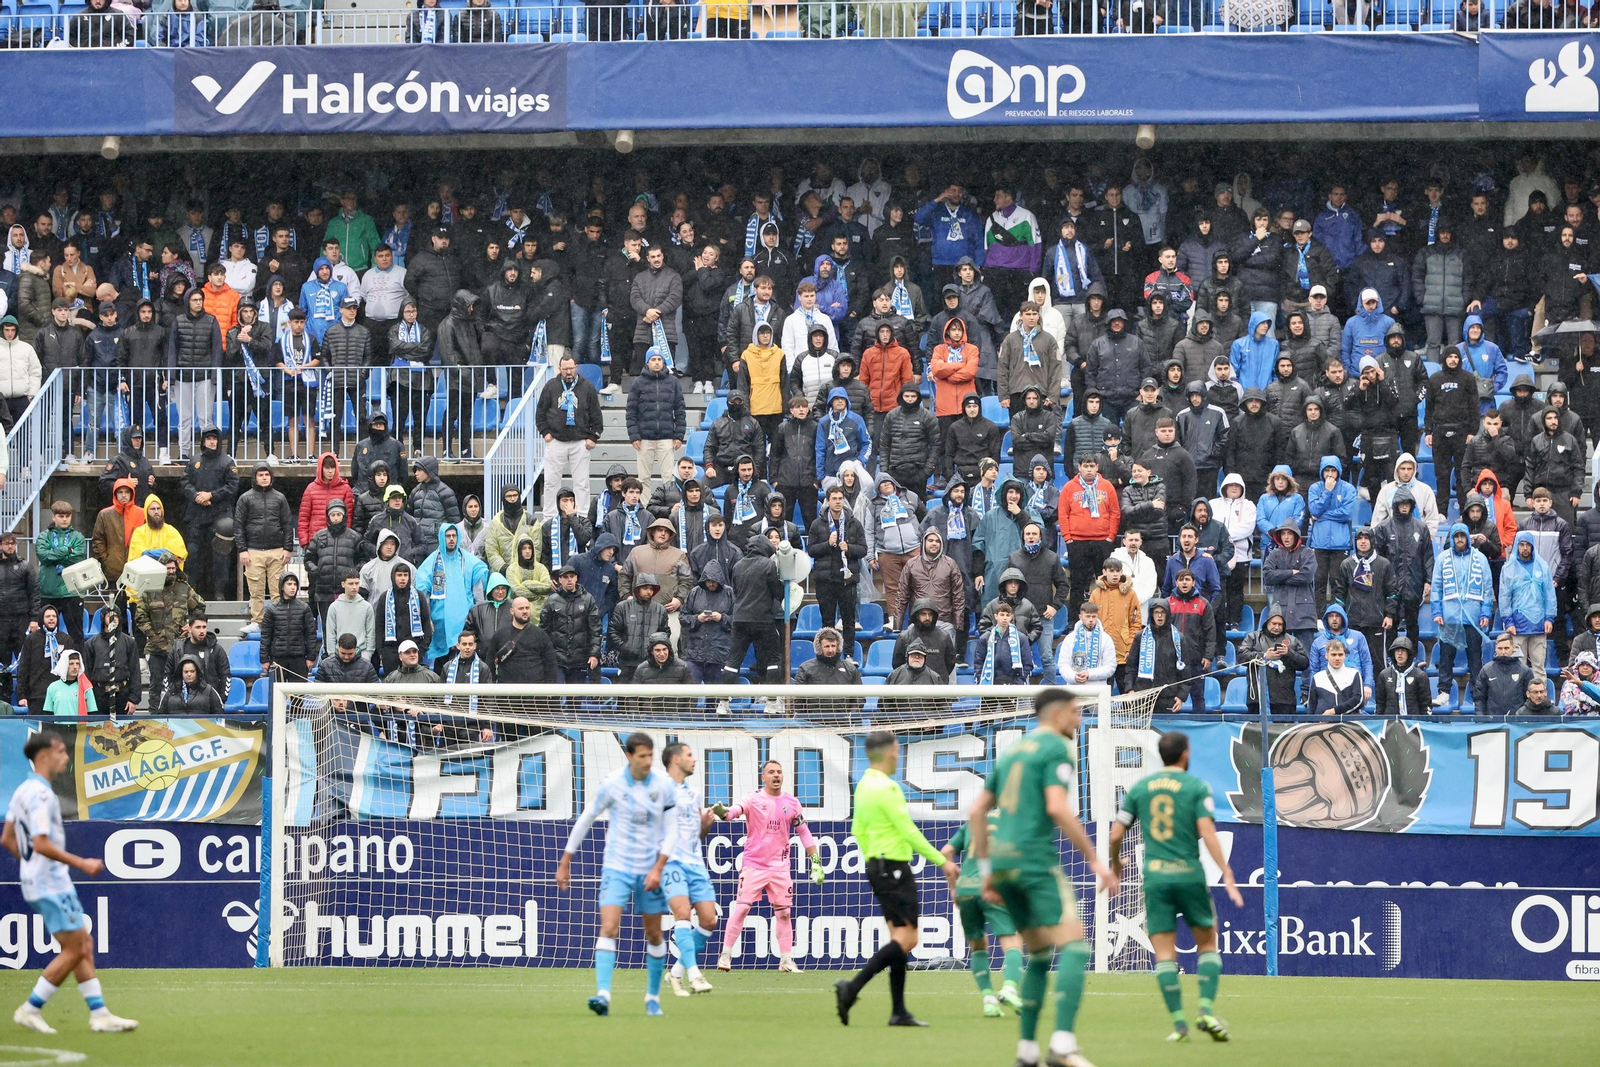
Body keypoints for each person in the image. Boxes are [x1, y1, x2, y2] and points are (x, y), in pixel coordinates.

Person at [965, 690, 1117, 1067]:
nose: (1080, 721)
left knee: (1038, 955)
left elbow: (976, 811)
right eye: (1077, 713)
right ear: (1060, 713)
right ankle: (1063, 1044)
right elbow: (1057, 807)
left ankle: (1027, 1051)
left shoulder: (1014, 751)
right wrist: (1097, 861)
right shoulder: (1054, 748)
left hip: (1001, 866)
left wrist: (986, 872)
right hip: (1035, 863)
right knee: (1077, 947)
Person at [1108, 730, 1242, 1043]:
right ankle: (1206, 1011)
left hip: (1155, 878)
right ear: (1185, 754)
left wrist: (1115, 866)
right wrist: (1227, 871)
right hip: (1188, 874)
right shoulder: (1196, 786)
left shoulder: (1140, 788)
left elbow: (1115, 835)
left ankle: (1179, 1024)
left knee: (1165, 955)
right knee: (1208, 944)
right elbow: (1207, 832)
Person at [5, 731, 138, 1034]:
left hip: (40, 880)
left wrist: (29, 867)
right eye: (61, 752)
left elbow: (7, 838)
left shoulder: (22, 790)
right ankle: (31, 1007)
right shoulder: (41, 795)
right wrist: (82, 863)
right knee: (76, 947)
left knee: (82, 944)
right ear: (43, 756)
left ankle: (100, 1013)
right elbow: (40, 843)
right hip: (50, 881)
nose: (66, 757)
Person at [834, 729, 961, 1028]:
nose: (899, 754)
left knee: (899, 939)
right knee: (908, 939)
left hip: (877, 867)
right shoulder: (887, 789)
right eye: (897, 749)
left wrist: (873, 858)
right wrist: (942, 861)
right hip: (893, 868)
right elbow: (907, 830)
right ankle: (851, 988)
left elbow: (858, 831)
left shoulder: (864, 785)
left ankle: (899, 1011)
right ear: (889, 752)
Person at [556, 732, 680, 1017]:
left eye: (651, 755)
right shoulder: (612, 784)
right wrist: (566, 860)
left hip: (650, 868)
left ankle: (652, 997)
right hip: (617, 867)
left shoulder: (663, 786)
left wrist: (659, 867)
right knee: (609, 928)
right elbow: (586, 818)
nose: (648, 761)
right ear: (629, 756)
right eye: (642, 756)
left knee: (654, 934)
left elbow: (673, 830)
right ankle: (603, 995)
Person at [711, 759, 821, 975]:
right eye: (771, 772)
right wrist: (724, 813)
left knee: (784, 914)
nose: (776, 775)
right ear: (764, 777)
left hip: (780, 867)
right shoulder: (753, 799)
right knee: (742, 907)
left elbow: (804, 832)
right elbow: (734, 811)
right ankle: (725, 954)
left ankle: (786, 960)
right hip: (754, 865)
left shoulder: (792, 803)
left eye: (779, 772)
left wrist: (816, 862)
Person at [942, 806, 1026, 1018]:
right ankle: (1008, 988)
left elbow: (945, 852)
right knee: (1013, 941)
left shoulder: (974, 821)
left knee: (978, 946)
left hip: (966, 889)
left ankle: (989, 1001)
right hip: (993, 886)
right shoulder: (1013, 820)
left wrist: (953, 888)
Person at [1431, 523, 1494, 704]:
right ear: (1452, 538)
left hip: (1473, 617)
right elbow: (1436, 587)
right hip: (1449, 616)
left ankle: (1476, 694)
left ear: (1468, 537)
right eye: (1456, 536)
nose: (1459, 539)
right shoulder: (1443, 558)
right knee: (1446, 658)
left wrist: (1485, 613)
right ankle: (1443, 693)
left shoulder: (1480, 558)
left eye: (1462, 536)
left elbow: (1487, 588)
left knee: (1475, 659)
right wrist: (1436, 610)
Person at [131, 553, 203, 711]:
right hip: (156, 648)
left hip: (180, 646)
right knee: (155, 685)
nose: (171, 571)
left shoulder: (184, 588)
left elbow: (200, 608)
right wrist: (152, 634)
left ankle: (179, 714)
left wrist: (189, 626)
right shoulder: (149, 589)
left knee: (180, 683)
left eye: (173, 568)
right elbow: (140, 616)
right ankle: (155, 715)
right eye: (167, 568)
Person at [536, 356, 604, 521]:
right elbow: (540, 413)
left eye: (571, 368)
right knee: (551, 482)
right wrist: (546, 433)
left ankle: (582, 518)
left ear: (576, 366)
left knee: (582, 483)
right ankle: (549, 518)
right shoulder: (551, 386)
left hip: (580, 442)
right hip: (556, 441)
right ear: (559, 368)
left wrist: (593, 437)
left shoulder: (587, 387)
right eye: (565, 368)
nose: (568, 372)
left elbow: (596, 414)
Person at [419, 523, 489, 666]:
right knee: (442, 662)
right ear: (441, 538)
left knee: (463, 661)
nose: (451, 539)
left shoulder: (467, 560)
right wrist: (427, 618)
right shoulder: (432, 561)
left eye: (454, 536)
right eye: (447, 536)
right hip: (440, 622)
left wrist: (479, 615)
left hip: (464, 621)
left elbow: (477, 588)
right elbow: (422, 590)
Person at [626, 346, 687, 496]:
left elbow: (680, 410)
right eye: (653, 359)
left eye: (659, 359)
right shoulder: (638, 383)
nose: (657, 362)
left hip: (666, 437)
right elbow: (631, 411)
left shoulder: (673, 382)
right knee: (643, 479)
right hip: (644, 438)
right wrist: (634, 436)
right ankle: (645, 510)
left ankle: (668, 508)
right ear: (647, 362)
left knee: (668, 478)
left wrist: (679, 435)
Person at [1500, 531, 1556, 672]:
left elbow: (1550, 594)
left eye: (1528, 545)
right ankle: (1519, 695)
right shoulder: (1508, 568)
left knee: (1539, 667)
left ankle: (1540, 694)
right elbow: (1504, 596)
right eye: (1521, 545)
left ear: (1532, 547)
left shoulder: (1542, 567)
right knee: (1518, 668)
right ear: (1516, 546)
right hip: (1518, 625)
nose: (1525, 548)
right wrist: (1508, 621)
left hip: (1539, 624)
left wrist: (1549, 618)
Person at [35, 501, 87, 643]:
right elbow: (44, 556)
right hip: (48, 591)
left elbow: (78, 558)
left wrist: (55, 554)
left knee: (76, 634)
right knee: (45, 634)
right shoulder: (44, 536)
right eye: (61, 516)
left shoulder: (78, 537)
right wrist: (67, 551)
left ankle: (78, 663)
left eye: (67, 516)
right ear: (53, 517)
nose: (64, 519)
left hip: (72, 591)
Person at [82, 605, 138, 718]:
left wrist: (133, 699)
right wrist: (87, 698)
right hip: (99, 695)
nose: (113, 618)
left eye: (116, 616)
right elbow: (87, 672)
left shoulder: (129, 643)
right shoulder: (91, 644)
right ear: (103, 618)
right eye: (109, 616)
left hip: (122, 695)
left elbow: (135, 671)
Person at [17, 606, 76, 714]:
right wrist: (22, 695)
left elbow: (72, 667)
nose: (51, 618)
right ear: (42, 619)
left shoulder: (66, 639)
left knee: (59, 730)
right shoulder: (32, 639)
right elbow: (24, 668)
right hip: (37, 695)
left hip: (60, 695)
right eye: (48, 616)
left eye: (54, 616)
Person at [1474, 632, 1536, 715]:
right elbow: (1479, 698)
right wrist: (1480, 717)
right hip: (1493, 720)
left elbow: (1530, 698)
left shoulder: (1524, 670)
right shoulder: (1486, 670)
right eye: (1500, 648)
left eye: (1506, 648)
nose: (1503, 652)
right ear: (1496, 649)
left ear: (1513, 648)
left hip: (1517, 721)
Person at [1375, 636, 1432, 717]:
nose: (1400, 653)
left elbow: (1425, 704)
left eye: (1403, 651)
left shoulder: (1420, 676)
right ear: (1393, 653)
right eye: (1397, 650)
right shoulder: (1384, 675)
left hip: (1413, 724)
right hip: (1391, 725)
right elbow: (1380, 705)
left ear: (1409, 653)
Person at [1308, 638, 1366, 715]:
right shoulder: (1317, 677)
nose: (1337, 658)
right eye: (1333, 654)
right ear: (1326, 655)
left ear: (1345, 655)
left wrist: (1334, 711)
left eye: (1340, 654)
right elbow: (1312, 706)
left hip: (1348, 724)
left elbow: (1358, 700)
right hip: (1323, 724)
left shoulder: (1354, 673)